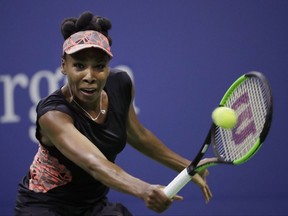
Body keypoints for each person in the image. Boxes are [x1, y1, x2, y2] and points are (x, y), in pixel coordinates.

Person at [14, 11, 212, 216]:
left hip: (93, 205)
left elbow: (138, 136)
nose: (89, 76)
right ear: (64, 66)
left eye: (99, 66)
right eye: (79, 66)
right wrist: (144, 190)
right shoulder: (53, 114)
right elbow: (95, 164)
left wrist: (187, 166)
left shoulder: (120, 85)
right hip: (45, 207)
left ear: (108, 68)